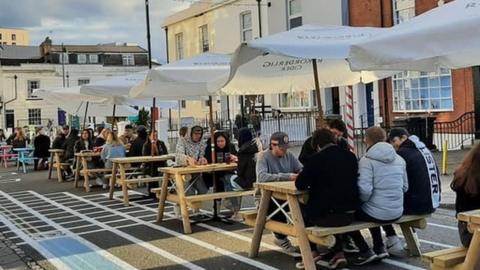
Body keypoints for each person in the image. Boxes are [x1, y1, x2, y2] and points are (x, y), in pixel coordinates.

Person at [295, 128, 359, 269]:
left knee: (300, 212)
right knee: (332, 207)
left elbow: (300, 184)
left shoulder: (316, 159)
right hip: (350, 213)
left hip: (326, 216)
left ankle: (313, 251)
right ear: (334, 140)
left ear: (317, 145)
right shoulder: (350, 156)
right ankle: (339, 252)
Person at [349, 126, 408, 265]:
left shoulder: (366, 161)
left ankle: (365, 250)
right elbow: (405, 187)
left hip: (377, 213)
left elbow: (365, 190)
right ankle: (379, 246)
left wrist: (361, 202)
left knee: (349, 213)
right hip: (398, 211)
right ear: (385, 138)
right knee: (372, 207)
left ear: (366, 140)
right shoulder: (399, 159)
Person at [383, 127, 441, 255]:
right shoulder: (423, 149)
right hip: (432, 201)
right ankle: (412, 241)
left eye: (394, 141)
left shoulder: (403, 153)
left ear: (404, 137)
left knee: (382, 205)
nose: (393, 145)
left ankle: (391, 240)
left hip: (419, 204)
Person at [256, 131, 303, 254]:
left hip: (286, 195)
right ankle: (281, 238)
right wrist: (287, 176)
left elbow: (301, 169)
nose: (284, 151)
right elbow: (262, 177)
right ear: (273, 145)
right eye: (282, 148)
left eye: (286, 148)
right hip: (266, 198)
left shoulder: (289, 155)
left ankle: (309, 239)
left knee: (305, 203)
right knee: (276, 207)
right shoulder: (263, 157)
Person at [451, 143, 480, 248]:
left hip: (467, 231)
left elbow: (459, 209)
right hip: (471, 232)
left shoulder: (463, 173)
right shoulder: (469, 177)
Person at [175, 125, 208, 195]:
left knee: (203, 190)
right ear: (191, 133)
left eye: (199, 134)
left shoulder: (202, 143)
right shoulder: (182, 140)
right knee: (189, 192)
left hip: (195, 172)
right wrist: (187, 159)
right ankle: (183, 205)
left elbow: (202, 155)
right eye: (195, 134)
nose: (198, 136)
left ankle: (196, 205)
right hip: (183, 172)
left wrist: (202, 159)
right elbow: (178, 155)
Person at [143, 130, 169, 198]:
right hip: (150, 166)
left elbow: (165, 154)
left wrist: (157, 150)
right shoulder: (146, 145)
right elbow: (145, 157)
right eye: (153, 136)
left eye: (156, 135)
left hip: (161, 164)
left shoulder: (161, 143)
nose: (155, 137)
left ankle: (168, 190)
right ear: (149, 137)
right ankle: (152, 192)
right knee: (153, 171)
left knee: (167, 171)